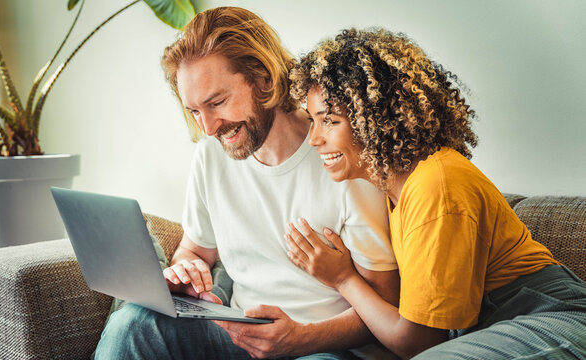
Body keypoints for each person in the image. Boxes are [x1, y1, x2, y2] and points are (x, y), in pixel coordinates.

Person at [94, 8, 401, 359]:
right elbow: (196, 249)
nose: (208, 128)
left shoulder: (343, 159)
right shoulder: (211, 157)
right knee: (134, 323)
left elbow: (385, 302)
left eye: (217, 102)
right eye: (194, 111)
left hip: (323, 347)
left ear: (263, 79)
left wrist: (302, 338)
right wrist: (188, 267)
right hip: (238, 337)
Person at [286, 28, 586, 359]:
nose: (314, 139)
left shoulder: (435, 186)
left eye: (329, 121)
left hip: (552, 318)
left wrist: (343, 279)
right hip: (496, 326)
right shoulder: (394, 188)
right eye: (311, 120)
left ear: (378, 119)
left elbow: (419, 343)